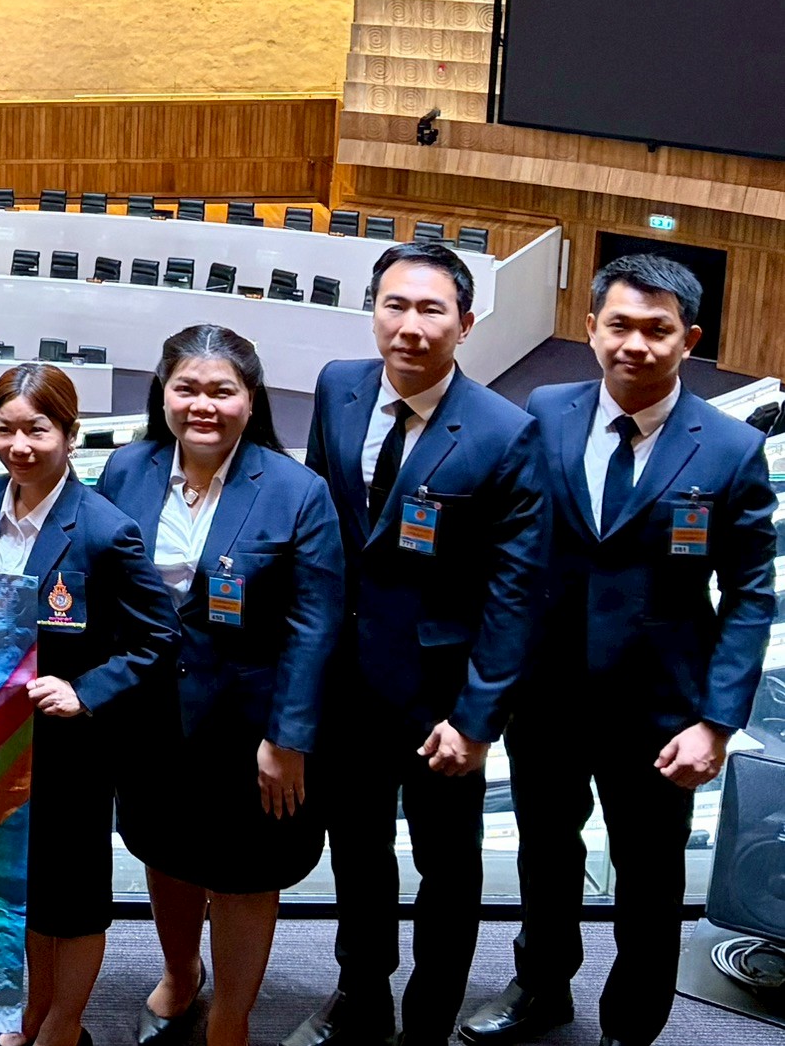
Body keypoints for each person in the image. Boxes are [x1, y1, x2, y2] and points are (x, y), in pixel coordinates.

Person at [461, 252, 775, 1046]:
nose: (636, 344)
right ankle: (542, 989)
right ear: (591, 328)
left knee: (649, 880)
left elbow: (749, 596)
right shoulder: (547, 408)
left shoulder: (730, 447)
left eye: (657, 329)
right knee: (545, 857)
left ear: (689, 340)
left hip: (662, 713)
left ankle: (630, 1027)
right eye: (620, 325)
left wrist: (716, 722)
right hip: (548, 697)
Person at [285, 245, 541, 1046]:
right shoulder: (338, 386)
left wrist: (477, 719)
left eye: (432, 309)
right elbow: (319, 531)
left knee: (447, 868)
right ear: (373, 312)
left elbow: (514, 592)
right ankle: (362, 993)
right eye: (395, 305)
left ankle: (428, 1021)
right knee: (357, 852)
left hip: (441, 702)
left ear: (466, 323)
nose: (410, 326)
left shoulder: (506, 432)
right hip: (346, 686)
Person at [97, 323, 343, 1046]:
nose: (202, 405)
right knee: (164, 851)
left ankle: (231, 1015)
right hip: (149, 716)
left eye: (221, 391)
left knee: (243, 873)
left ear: (251, 399)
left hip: (250, 727)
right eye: (187, 389)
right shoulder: (127, 469)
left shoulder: (297, 490)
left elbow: (315, 625)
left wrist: (288, 738)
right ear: (163, 394)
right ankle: (181, 975)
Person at [0, 363, 178, 1046]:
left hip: (73, 747)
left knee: (75, 896)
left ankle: (66, 1021)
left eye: (37, 430)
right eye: (5, 430)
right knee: (25, 887)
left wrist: (84, 692)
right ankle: (34, 1010)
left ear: (70, 433)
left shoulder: (105, 530)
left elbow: (158, 636)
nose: (19, 446)